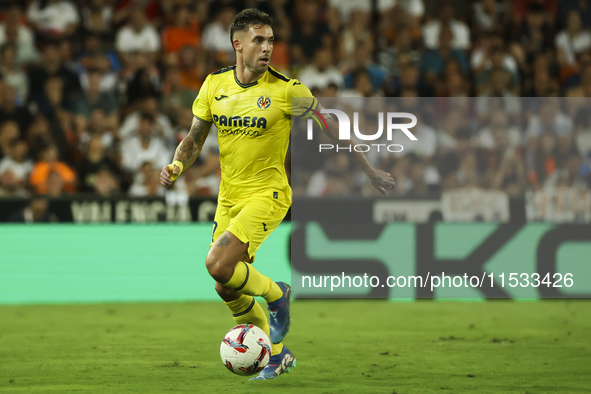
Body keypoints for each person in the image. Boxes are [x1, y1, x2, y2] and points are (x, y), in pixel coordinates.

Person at [159, 9, 394, 380]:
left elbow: (331, 127)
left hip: (268, 193)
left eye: (270, 40)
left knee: (217, 264)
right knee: (225, 284)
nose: (267, 47)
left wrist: (369, 170)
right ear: (238, 44)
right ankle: (276, 354)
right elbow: (193, 139)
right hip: (229, 198)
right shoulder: (213, 86)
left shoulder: (288, 90)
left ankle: (277, 294)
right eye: (259, 40)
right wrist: (175, 165)